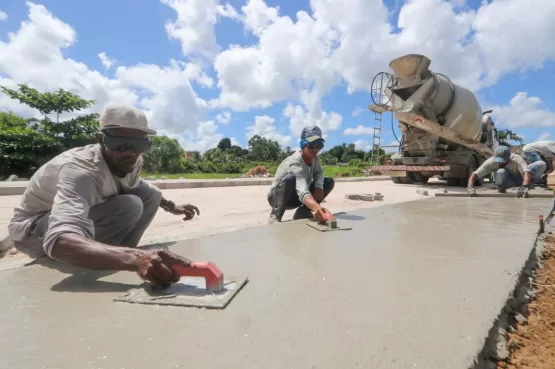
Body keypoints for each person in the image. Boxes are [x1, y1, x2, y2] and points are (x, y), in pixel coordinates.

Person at [8, 104, 199, 287]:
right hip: (33, 232)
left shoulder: (134, 160)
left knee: (151, 195)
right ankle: (99, 259)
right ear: (101, 139)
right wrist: (135, 258)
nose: (130, 152)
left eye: (139, 144)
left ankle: (112, 256)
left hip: (73, 220)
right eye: (119, 143)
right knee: (130, 205)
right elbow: (59, 241)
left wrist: (171, 206)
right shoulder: (80, 171)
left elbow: (137, 185)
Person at [267, 125, 334, 224]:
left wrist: (319, 187)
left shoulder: (315, 159)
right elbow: (302, 189)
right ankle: (275, 216)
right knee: (290, 179)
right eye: (311, 145)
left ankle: (303, 212)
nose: (315, 149)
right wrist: (317, 207)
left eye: (319, 145)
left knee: (328, 182)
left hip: (299, 197)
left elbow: (319, 171)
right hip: (278, 198)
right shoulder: (294, 162)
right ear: (303, 144)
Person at [467, 145, 546, 198]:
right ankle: (501, 187)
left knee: (541, 164)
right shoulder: (490, 162)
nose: (501, 162)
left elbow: (526, 171)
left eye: (503, 160)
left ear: (509, 156)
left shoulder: (516, 158)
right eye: (499, 160)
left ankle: (527, 185)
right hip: (508, 182)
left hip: (519, 178)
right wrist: (470, 186)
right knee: (501, 171)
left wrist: (524, 186)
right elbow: (475, 174)